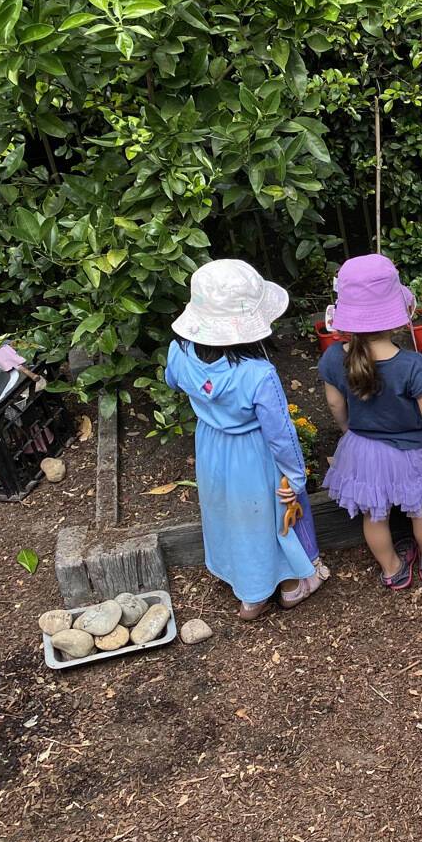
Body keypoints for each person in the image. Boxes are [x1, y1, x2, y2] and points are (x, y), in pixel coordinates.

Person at [166, 260, 326, 620]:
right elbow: (281, 433)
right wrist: (296, 476)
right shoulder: (258, 374)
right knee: (268, 517)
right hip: (253, 453)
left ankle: (250, 597)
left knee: (229, 514)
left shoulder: (179, 352)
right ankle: (289, 586)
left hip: (211, 447)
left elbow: (173, 382)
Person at [319, 254, 422, 590]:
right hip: (410, 452)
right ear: (396, 317)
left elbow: (335, 403)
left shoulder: (334, 357)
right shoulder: (411, 365)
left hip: (362, 449)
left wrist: (347, 430)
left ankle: (392, 569)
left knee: (373, 514)